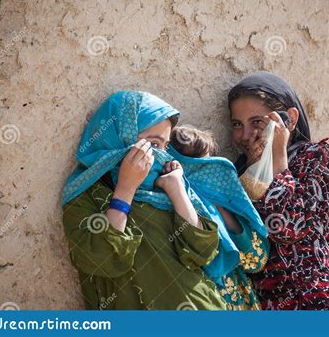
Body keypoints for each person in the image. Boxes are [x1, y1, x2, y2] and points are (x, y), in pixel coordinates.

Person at [61, 91, 227, 310]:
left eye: (165, 147)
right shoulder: (84, 195)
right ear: (121, 136)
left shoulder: (162, 184)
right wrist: (125, 188)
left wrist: (176, 189)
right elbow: (104, 260)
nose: (162, 155)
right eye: (153, 144)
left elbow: (202, 252)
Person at [227, 71, 329, 310]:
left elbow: (288, 225)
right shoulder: (235, 174)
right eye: (236, 124)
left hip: (312, 304)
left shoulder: (315, 159)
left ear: (289, 120)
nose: (245, 135)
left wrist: (277, 157)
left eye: (257, 122)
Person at [170, 126, 269, 310]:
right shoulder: (168, 206)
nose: (213, 176)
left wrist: (221, 209)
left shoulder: (226, 208)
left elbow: (256, 259)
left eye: (211, 167)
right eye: (201, 169)